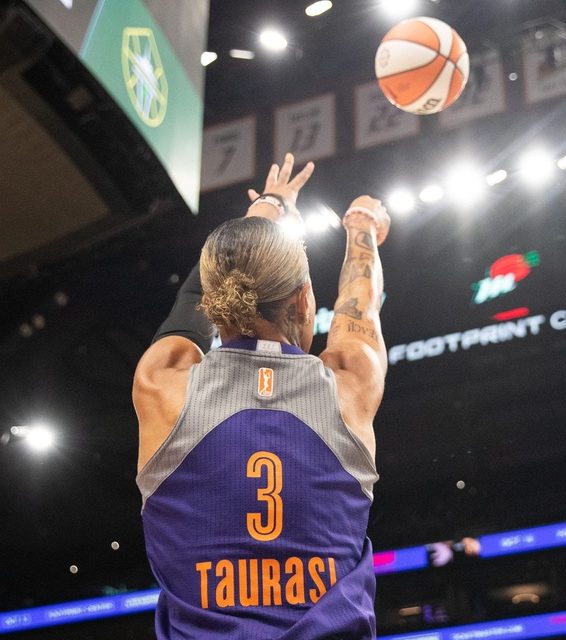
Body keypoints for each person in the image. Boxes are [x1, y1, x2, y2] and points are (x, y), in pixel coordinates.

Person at [132, 153, 390, 639]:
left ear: (216, 301)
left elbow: (190, 301)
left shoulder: (162, 384)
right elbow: (363, 302)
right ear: (304, 300)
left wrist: (268, 208)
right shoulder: (350, 382)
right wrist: (363, 228)